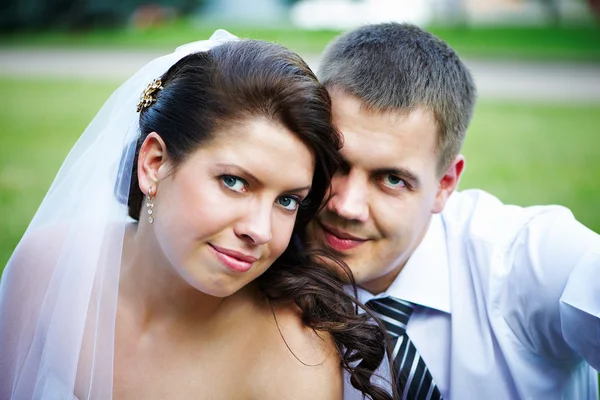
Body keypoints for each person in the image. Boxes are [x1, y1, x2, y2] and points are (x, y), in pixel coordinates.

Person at [0, 31, 393, 400]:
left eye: (287, 201)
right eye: (235, 182)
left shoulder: (295, 356)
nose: (259, 231)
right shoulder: (48, 268)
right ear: (154, 163)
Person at [305, 22, 600, 399]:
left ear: (445, 184)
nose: (346, 206)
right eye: (333, 162)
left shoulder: (523, 261)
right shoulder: (257, 249)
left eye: (392, 179)